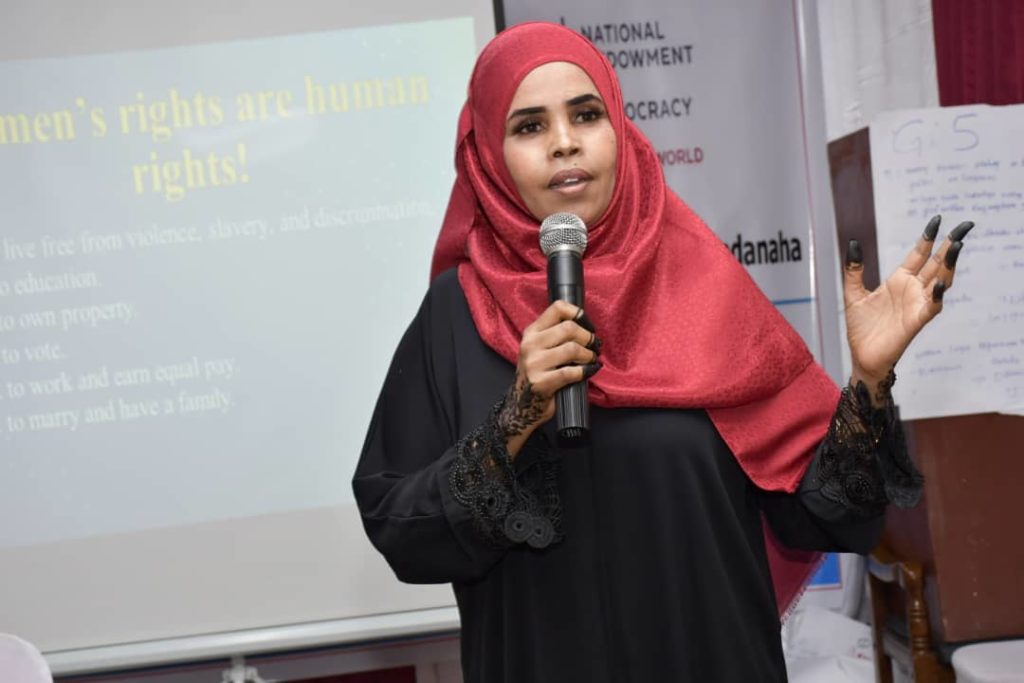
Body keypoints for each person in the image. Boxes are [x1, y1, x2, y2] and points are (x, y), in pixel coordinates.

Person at [353, 22, 970, 682]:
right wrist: (515, 420)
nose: (564, 142)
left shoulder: (702, 286)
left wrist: (869, 383)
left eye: (586, 115)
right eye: (529, 126)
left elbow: (821, 513)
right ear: (490, 157)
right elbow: (402, 530)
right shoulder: (456, 314)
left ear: (619, 128)